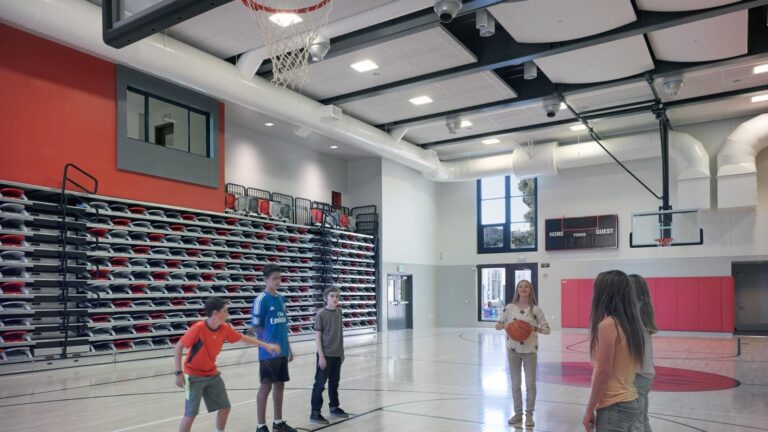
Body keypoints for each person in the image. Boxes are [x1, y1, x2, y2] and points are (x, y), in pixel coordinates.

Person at [174, 296, 280, 432]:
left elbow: (243, 338)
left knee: (225, 407)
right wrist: (178, 373)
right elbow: (178, 347)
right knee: (190, 414)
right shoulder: (198, 328)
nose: (227, 314)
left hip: (212, 374)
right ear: (215, 313)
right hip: (193, 376)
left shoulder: (224, 328)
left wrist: (265, 345)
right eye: (225, 311)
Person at [583, 270, 645, 432]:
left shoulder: (608, 325)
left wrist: (589, 409)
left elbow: (604, 372)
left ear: (604, 294)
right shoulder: (632, 324)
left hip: (614, 406)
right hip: (631, 400)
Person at [495, 279, 550, 428]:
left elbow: (547, 329)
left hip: (530, 351)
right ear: (517, 290)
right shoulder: (510, 307)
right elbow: (497, 325)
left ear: (530, 290)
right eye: (520, 286)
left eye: (526, 286)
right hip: (512, 351)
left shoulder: (535, 310)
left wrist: (535, 328)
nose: (523, 288)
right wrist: (507, 325)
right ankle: (518, 413)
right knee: (515, 384)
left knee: (530, 384)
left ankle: (529, 416)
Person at [252, 264, 295, 432]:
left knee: (280, 385)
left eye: (279, 277)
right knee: (266, 386)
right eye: (274, 278)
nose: (278, 281)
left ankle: (278, 422)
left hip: (282, 351)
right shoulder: (261, 300)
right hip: (267, 354)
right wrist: (265, 346)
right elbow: (256, 327)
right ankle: (260, 425)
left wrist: (288, 349)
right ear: (265, 280)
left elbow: (283, 326)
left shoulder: (281, 299)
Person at [309, 287, 349, 424]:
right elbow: (318, 336)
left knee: (334, 383)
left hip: (337, 354)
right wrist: (321, 356)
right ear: (326, 298)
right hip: (325, 355)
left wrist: (342, 352)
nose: (335, 298)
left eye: (337, 296)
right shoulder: (321, 314)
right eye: (332, 296)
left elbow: (340, 333)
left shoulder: (339, 312)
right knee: (320, 384)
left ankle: (334, 406)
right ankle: (315, 412)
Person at [628, 275, 657, 432]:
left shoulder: (635, 313)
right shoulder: (644, 309)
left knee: (636, 422)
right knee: (643, 418)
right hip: (645, 373)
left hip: (638, 374)